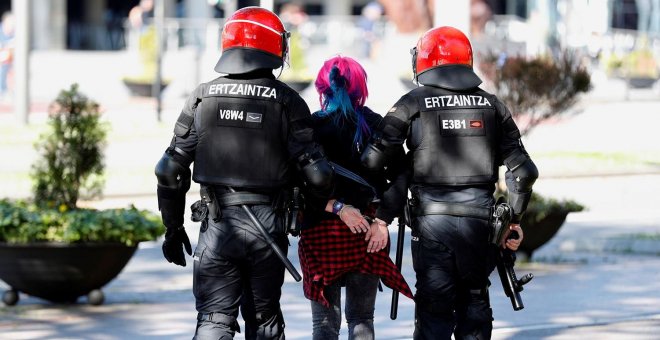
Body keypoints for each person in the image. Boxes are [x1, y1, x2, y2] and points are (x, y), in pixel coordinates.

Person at [154, 7, 333, 340]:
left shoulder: (202, 96)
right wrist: (304, 219)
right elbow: (319, 176)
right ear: (275, 46)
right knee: (264, 321)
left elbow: (169, 170)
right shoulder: (287, 100)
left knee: (213, 321)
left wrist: (173, 226)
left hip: (217, 226)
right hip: (269, 226)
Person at [361, 26, 539, 339]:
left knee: (434, 314)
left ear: (425, 60)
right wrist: (512, 220)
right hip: (481, 227)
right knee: (474, 306)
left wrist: (401, 180)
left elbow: (373, 161)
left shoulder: (411, 104)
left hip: (432, 225)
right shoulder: (493, 106)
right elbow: (524, 173)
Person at [298, 55, 413, 340]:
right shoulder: (377, 125)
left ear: (322, 89)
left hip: (320, 233)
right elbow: (402, 175)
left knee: (323, 325)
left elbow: (294, 181)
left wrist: (335, 206)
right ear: (361, 88)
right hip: (368, 234)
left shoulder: (310, 128)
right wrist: (383, 222)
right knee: (362, 320)